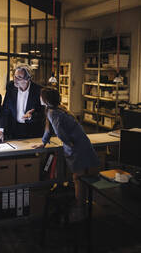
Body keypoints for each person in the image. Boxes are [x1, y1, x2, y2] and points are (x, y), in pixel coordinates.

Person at [40, 86, 99, 221]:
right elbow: (49, 130)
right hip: (82, 143)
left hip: (77, 146)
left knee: (78, 178)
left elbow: (59, 132)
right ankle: (82, 207)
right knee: (79, 177)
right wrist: (43, 142)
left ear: (46, 100)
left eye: (41, 96)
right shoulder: (55, 109)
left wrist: (68, 143)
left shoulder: (53, 112)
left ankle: (80, 211)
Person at [0, 63, 45, 141]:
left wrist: (31, 116)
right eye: (14, 76)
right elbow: (5, 110)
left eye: (19, 77)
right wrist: (0, 130)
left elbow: (42, 113)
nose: (15, 79)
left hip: (32, 131)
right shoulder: (11, 86)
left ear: (28, 79)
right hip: (13, 131)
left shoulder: (39, 90)